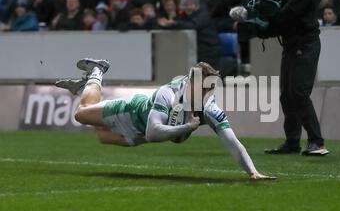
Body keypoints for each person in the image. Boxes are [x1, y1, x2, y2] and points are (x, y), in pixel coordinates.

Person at [55, 58, 275, 180]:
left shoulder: (209, 107)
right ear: (190, 82)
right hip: (131, 112)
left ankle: (84, 88)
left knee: (103, 136)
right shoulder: (168, 94)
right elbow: (154, 132)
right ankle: (97, 71)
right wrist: (188, 127)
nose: (205, 93)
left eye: (208, 88)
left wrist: (253, 172)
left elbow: (232, 142)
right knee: (81, 113)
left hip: (140, 134)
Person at [254, 0, 329, 156]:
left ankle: (317, 142)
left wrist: (264, 27)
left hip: (306, 42)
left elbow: (290, 13)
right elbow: (272, 8)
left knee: (299, 93)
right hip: (290, 43)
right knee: (287, 96)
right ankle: (293, 142)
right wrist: (260, 21)